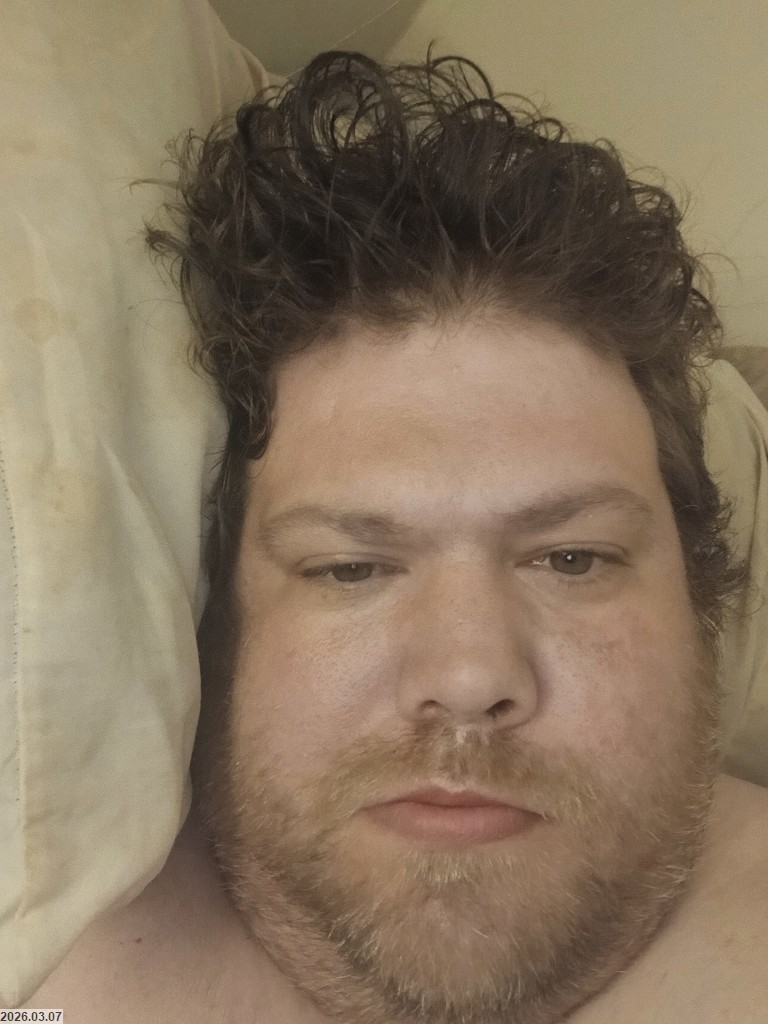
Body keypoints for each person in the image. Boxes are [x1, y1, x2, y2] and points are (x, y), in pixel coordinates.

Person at [25, 51, 768, 1023]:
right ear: (221, 632)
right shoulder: (42, 977)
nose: (468, 676)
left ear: (703, 598)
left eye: (572, 558)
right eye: (351, 567)